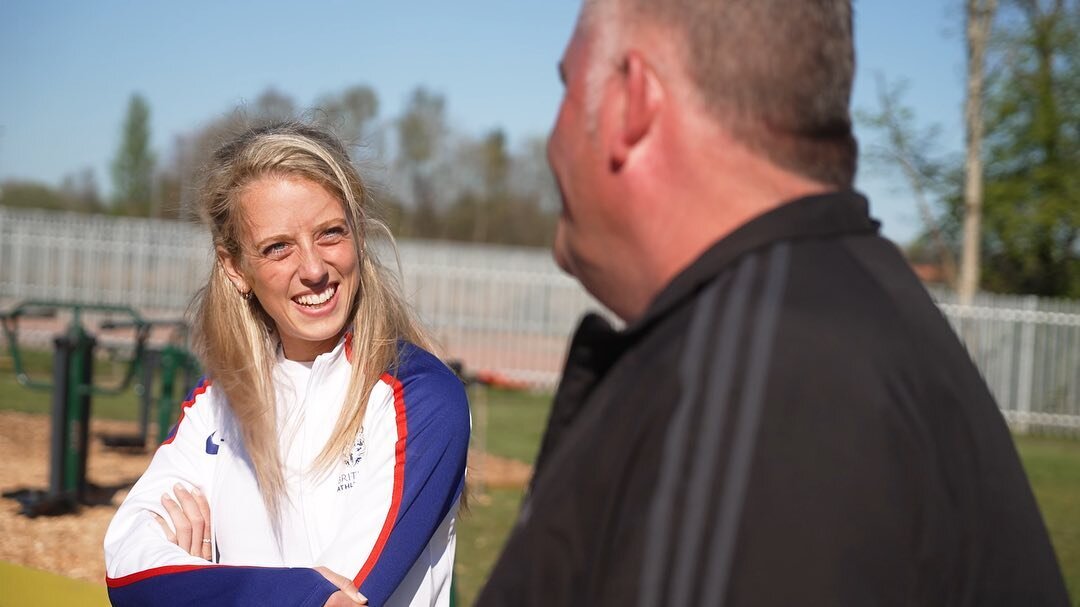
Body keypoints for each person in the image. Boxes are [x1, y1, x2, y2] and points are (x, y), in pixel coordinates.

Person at [476, 1, 1070, 605]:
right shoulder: (848, 309)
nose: (552, 135)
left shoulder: (761, 384)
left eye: (566, 86)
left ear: (632, 101)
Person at [104, 122, 470, 607]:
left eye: (330, 234)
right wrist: (300, 590)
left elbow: (345, 599)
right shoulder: (217, 400)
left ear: (357, 235)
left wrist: (198, 583)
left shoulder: (422, 397)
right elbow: (127, 572)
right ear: (236, 269)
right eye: (278, 247)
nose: (314, 269)